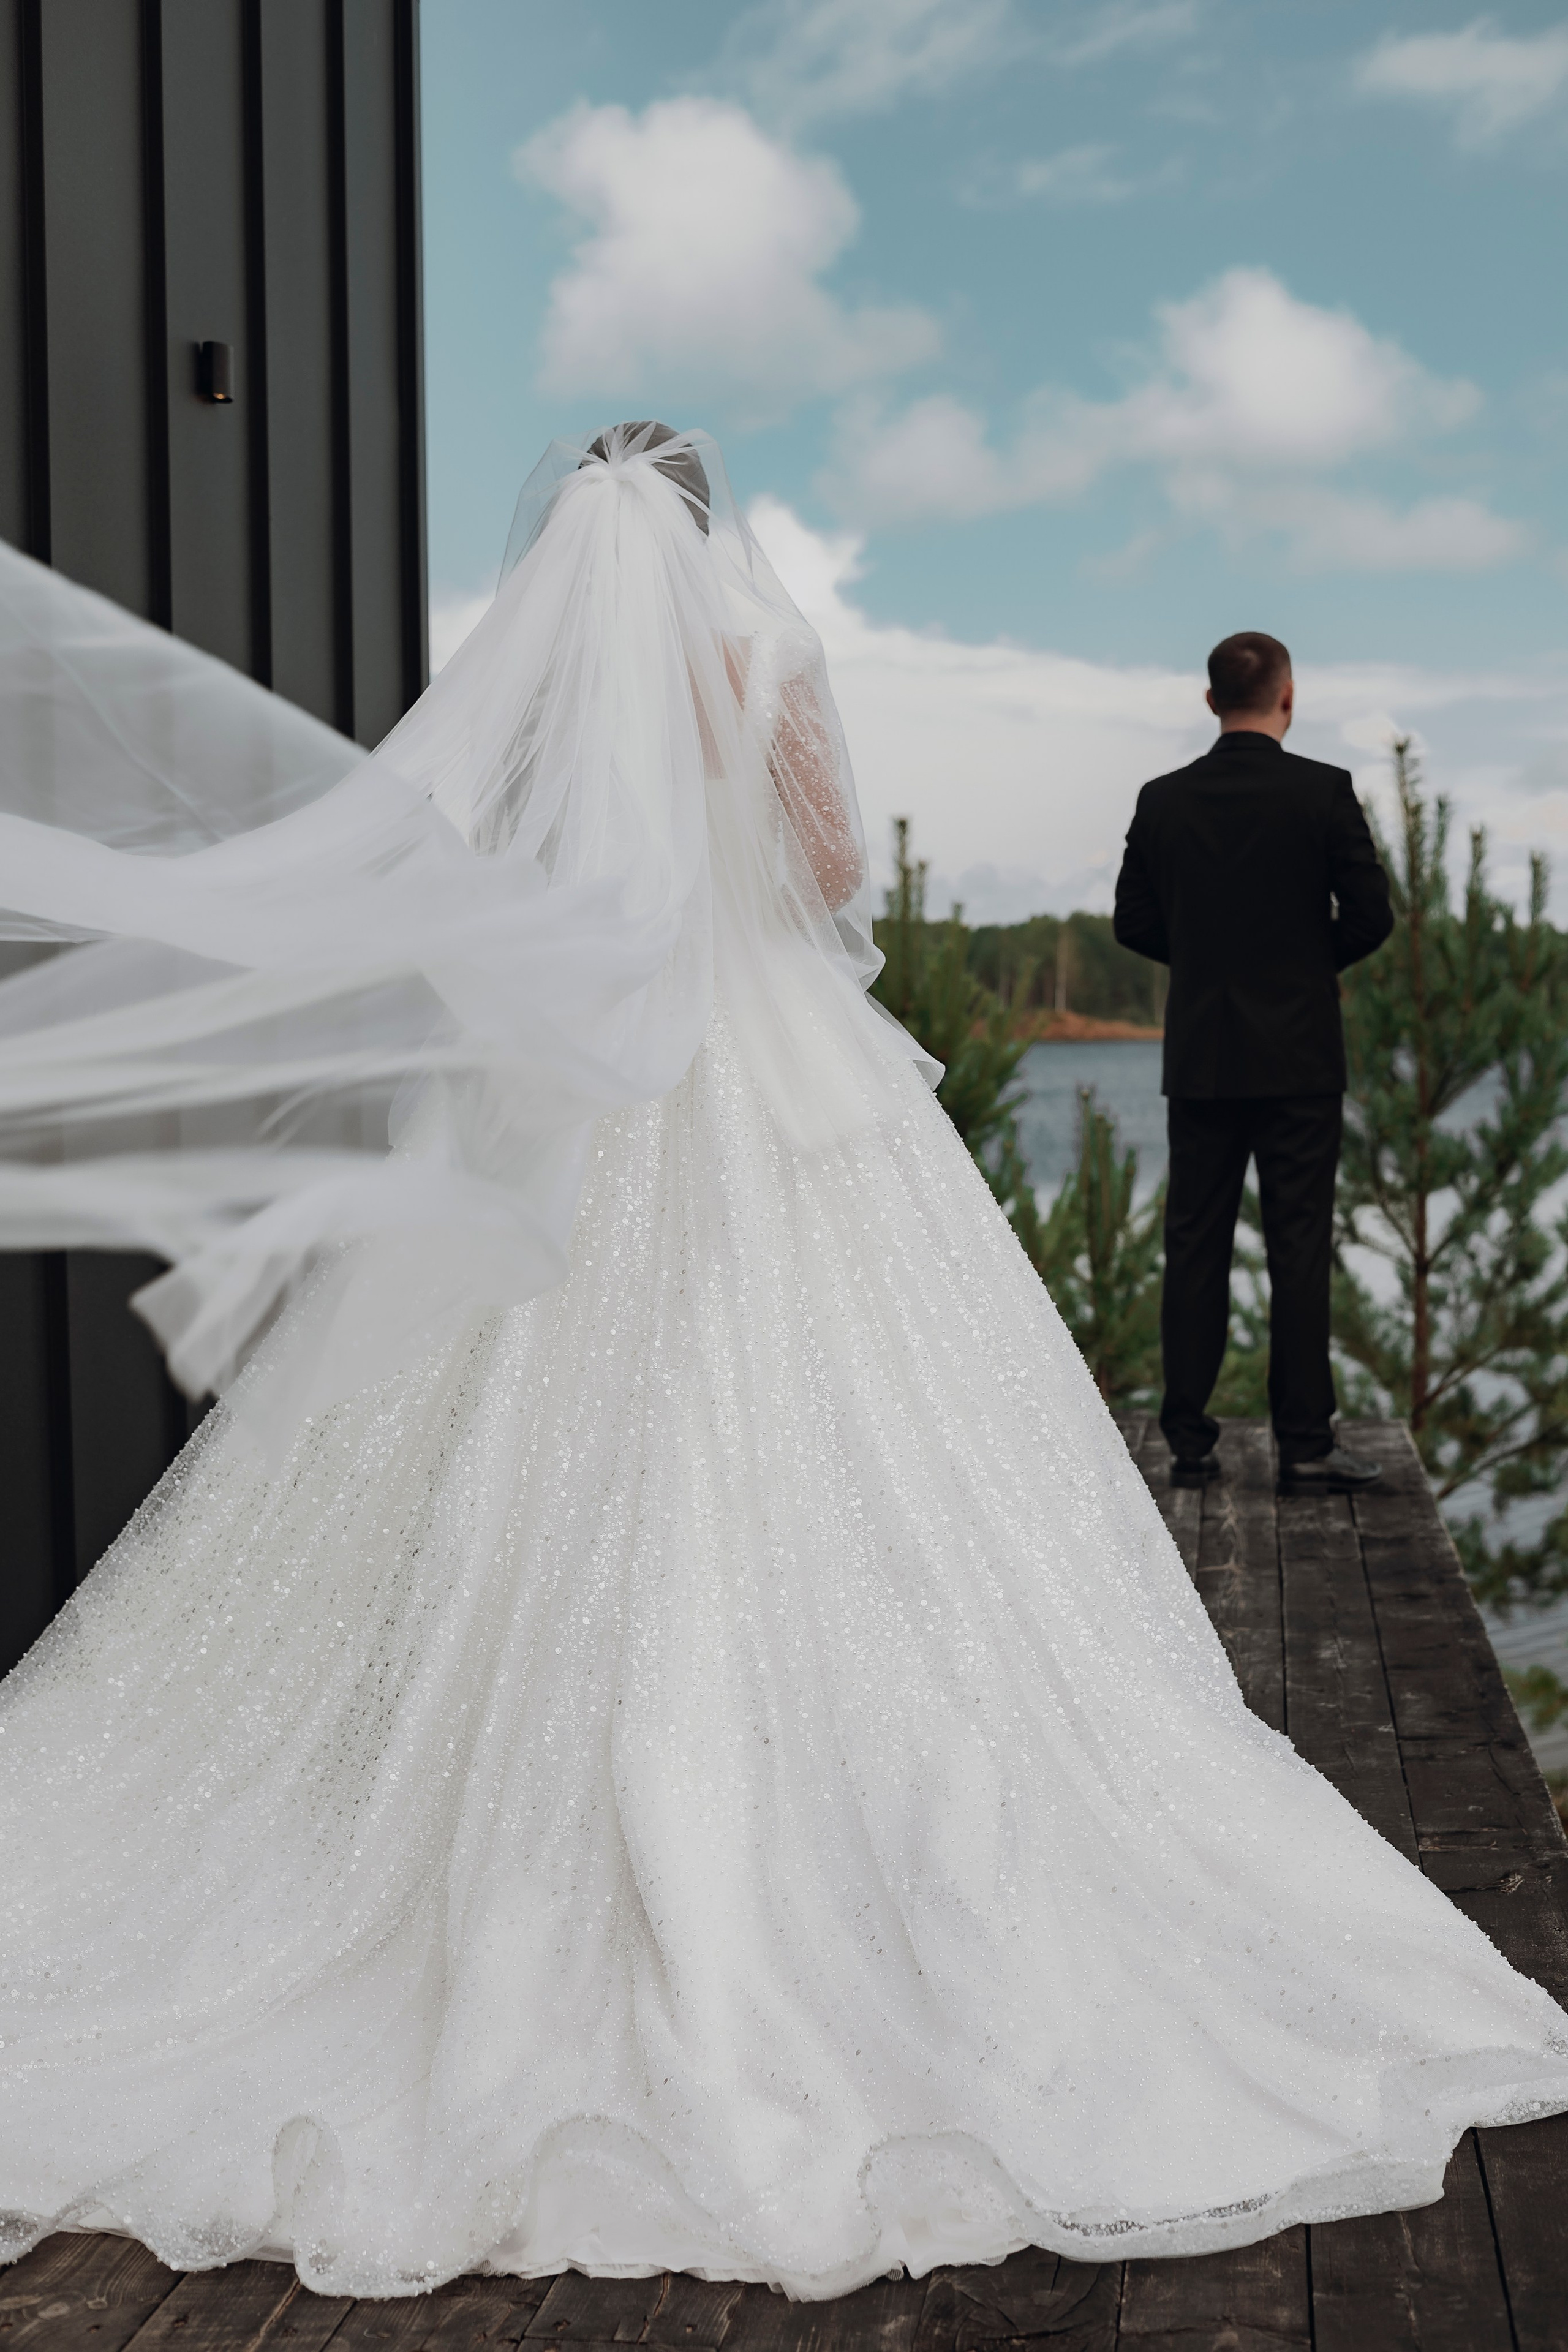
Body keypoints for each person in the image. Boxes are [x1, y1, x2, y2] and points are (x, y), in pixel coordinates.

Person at [0, 439, 1565, 2302]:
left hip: (580, 1081)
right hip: (763, 1058)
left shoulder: (555, 681)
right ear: (707, 529)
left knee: (509, 1421)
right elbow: (827, 867)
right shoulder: (761, 663)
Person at [1113, 633, 1393, 1494]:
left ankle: (1190, 1448)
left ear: (1210, 702)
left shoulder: (1163, 800)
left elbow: (1134, 923)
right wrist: (1305, 972)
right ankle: (1305, 1446)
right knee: (1299, 1250)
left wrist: (1207, 965)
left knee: (1194, 1245)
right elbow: (1372, 915)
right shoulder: (1324, 792)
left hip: (1203, 1055)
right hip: (1301, 1057)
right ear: (1288, 697)